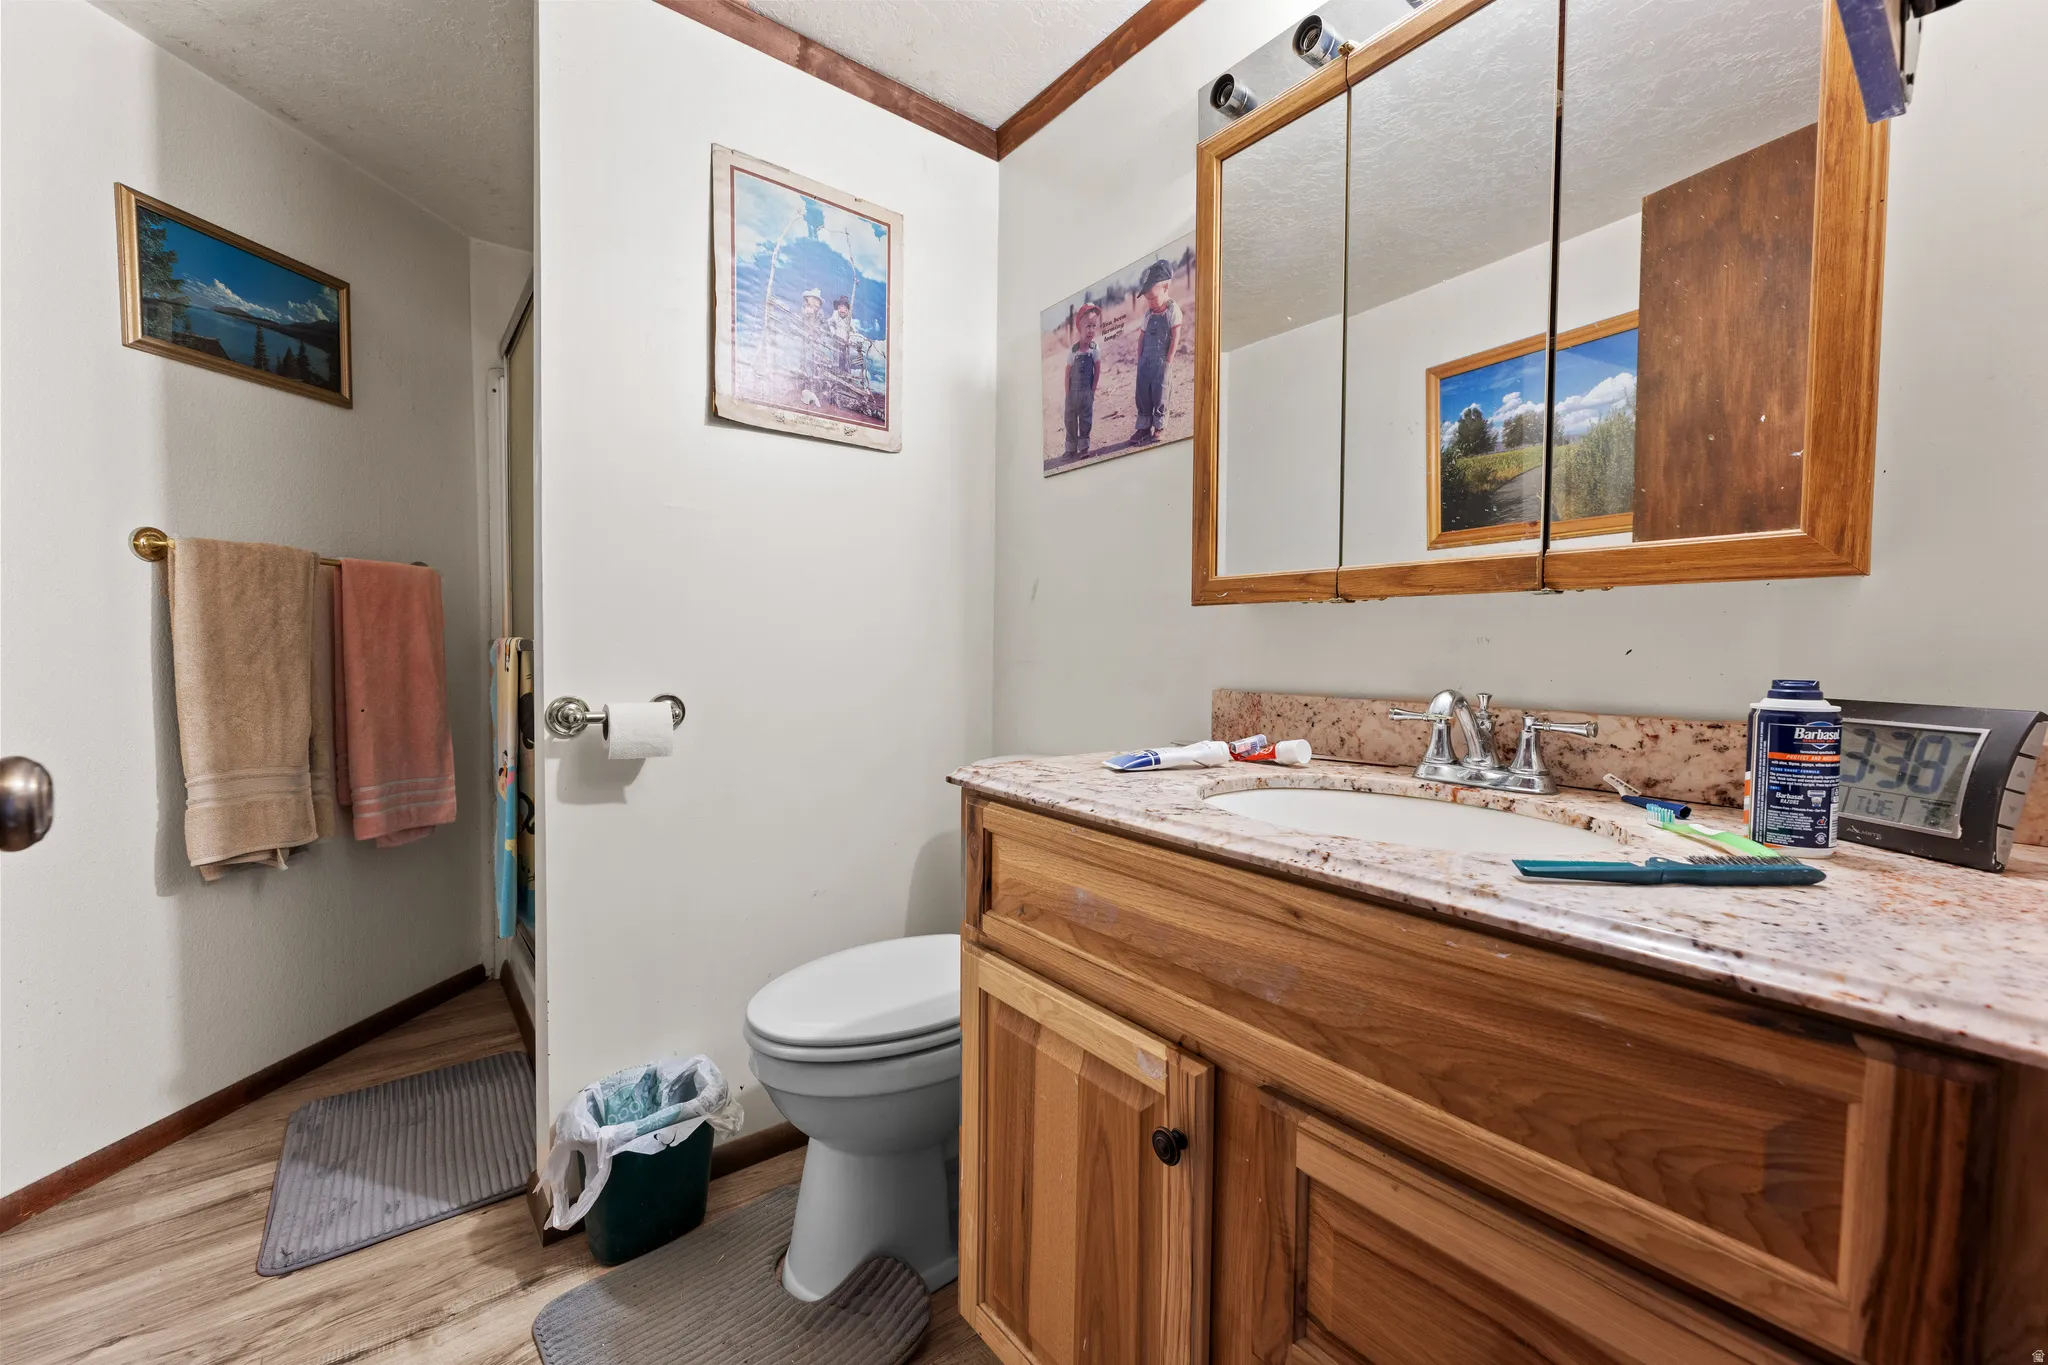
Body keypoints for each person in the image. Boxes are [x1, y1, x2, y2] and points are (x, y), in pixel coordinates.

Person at [1129, 259, 1183, 445]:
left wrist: (1169, 359)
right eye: (1148, 300)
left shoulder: (1172, 310)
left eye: (1153, 298)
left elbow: (1175, 335)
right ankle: (1143, 427)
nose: (1150, 303)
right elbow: (1142, 337)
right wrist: (1140, 359)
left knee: (1161, 391)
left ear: (1166, 287)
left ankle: (1159, 426)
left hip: (1161, 360)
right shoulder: (1148, 314)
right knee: (1143, 392)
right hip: (1145, 361)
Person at [1063, 303, 1102, 459]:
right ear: (1079, 328)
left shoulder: (1095, 348)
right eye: (1087, 326)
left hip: (1086, 391)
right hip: (1072, 392)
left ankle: (1084, 447)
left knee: (1086, 418)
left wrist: (1093, 389)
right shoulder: (1073, 350)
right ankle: (1071, 448)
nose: (1091, 330)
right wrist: (1067, 393)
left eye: (1094, 326)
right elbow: (1067, 372)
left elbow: (1097, 369)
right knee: (1070, 419)